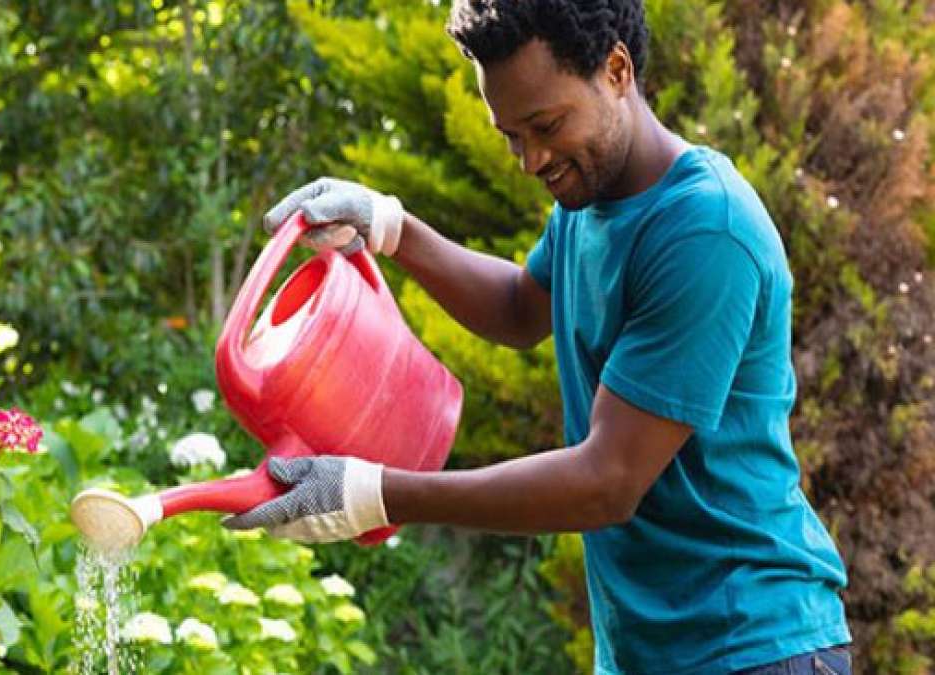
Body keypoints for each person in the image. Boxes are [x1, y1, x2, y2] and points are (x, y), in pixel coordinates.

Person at [221, 1, 852, 673]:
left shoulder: (704, 232)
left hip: (753, 642)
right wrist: (392, 226)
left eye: (545, 126)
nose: (530, 159)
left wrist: (375, 492)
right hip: (655, 652)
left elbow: (606, 480)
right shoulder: (594, 200)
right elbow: (523, 307)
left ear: (616, 70)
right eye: (511, 135)